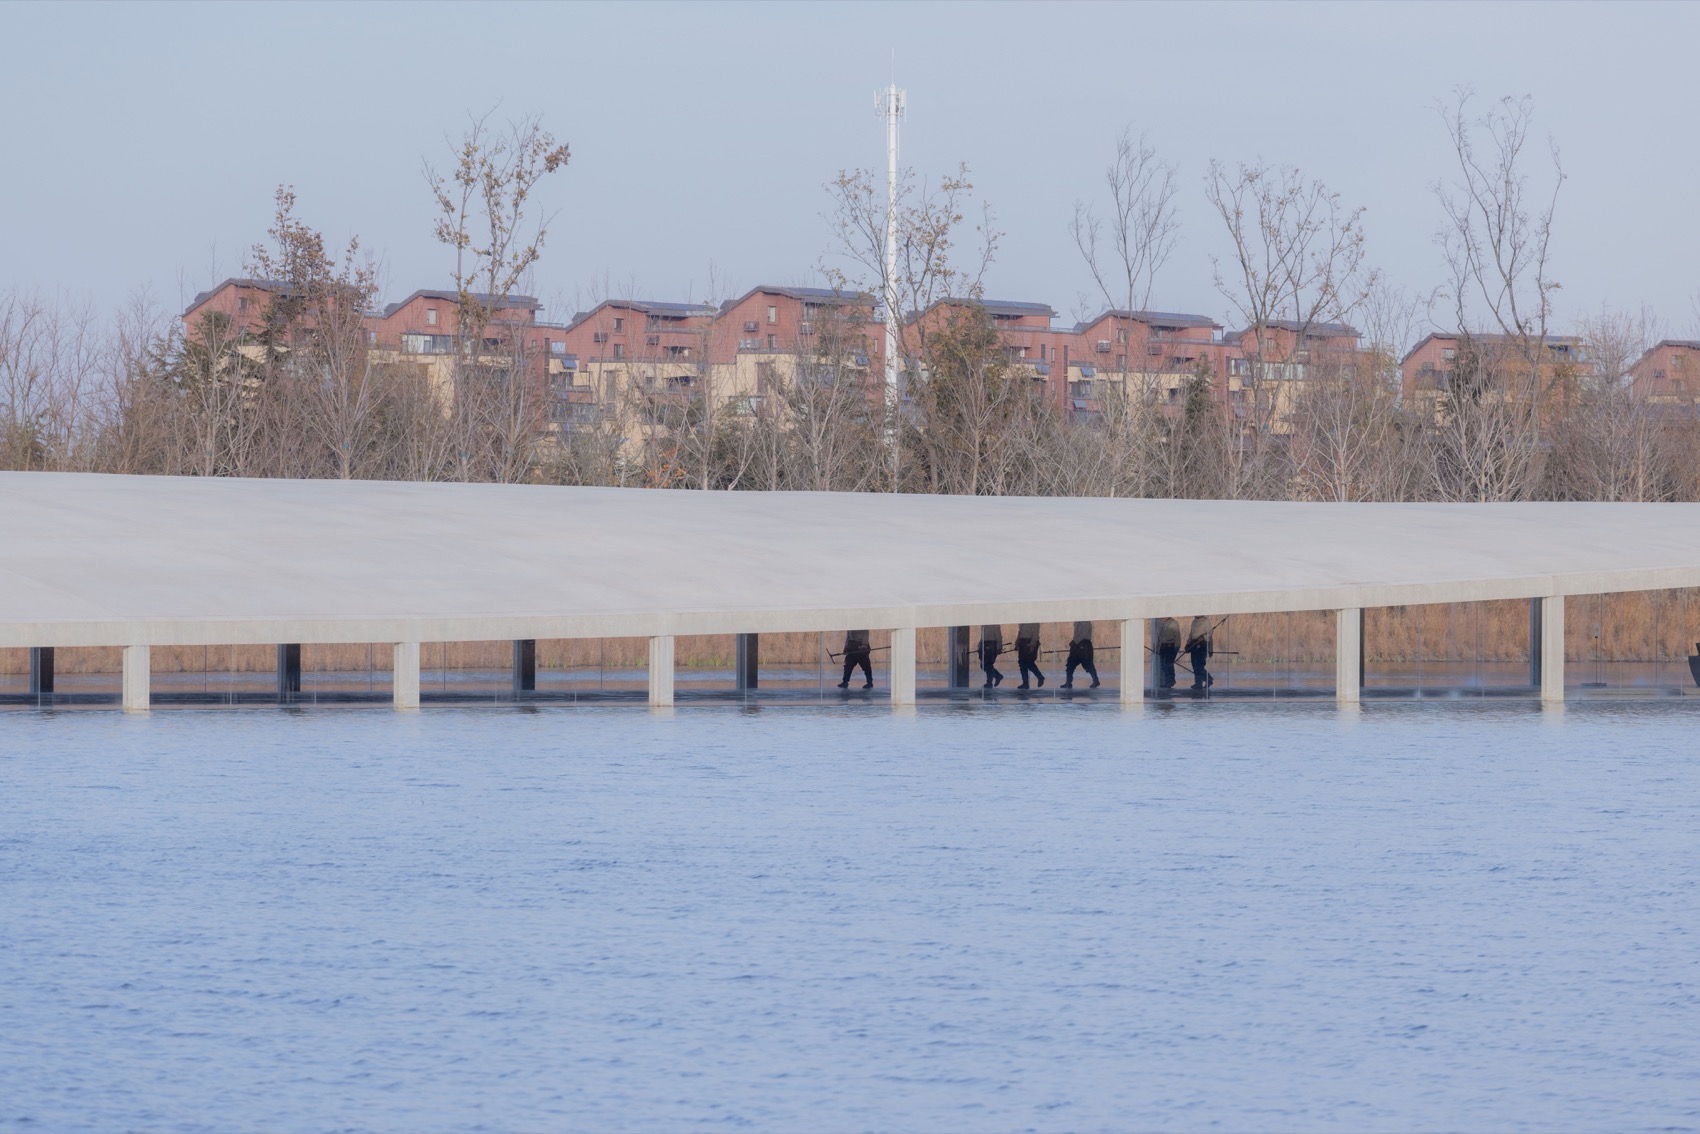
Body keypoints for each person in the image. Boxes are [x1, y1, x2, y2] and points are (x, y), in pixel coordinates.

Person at [1061, 620, 1099, 689]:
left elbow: (1080, 634)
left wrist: (1074, 643)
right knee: (1086, 664)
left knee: (1073, 663)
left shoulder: (1083, 621)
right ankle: (1095, 680)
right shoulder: (1086, 621)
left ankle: (1068, 682)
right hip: (1084, 644)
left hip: (1082, 644)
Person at [1186, 615, 1215, 690]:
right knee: (1194, 665)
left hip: (1203, 645)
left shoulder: (1206, 621)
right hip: (1194, 644)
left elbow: (1210, 633)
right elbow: (1191, 634)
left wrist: (1203, 638)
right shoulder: (1194, 621)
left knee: (1199, 665)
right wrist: (1188, 644)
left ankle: (1203, 681)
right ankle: (1200, 682)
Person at [1155, 617, 1181, 690]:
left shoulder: (1173, 623)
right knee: (1163, 665)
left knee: (1168, 664)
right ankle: (1165, 681)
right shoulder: (1159, 623)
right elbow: (1158, 637)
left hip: (1170, 646)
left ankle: (1170, 680)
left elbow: (1178, 636)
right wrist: (1157, 647)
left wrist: (1177, 647)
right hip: (1162, 646)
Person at [978, 624, 1004, 688]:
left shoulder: (994, 624)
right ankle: (998, 676)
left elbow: (999, 636)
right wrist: (980, 644)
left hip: (992, 644)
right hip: (984, 644)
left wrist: (999, 647)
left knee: (988, 664)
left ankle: (989, 683)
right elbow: (982, 636)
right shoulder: (984, 625)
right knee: (983, 665)